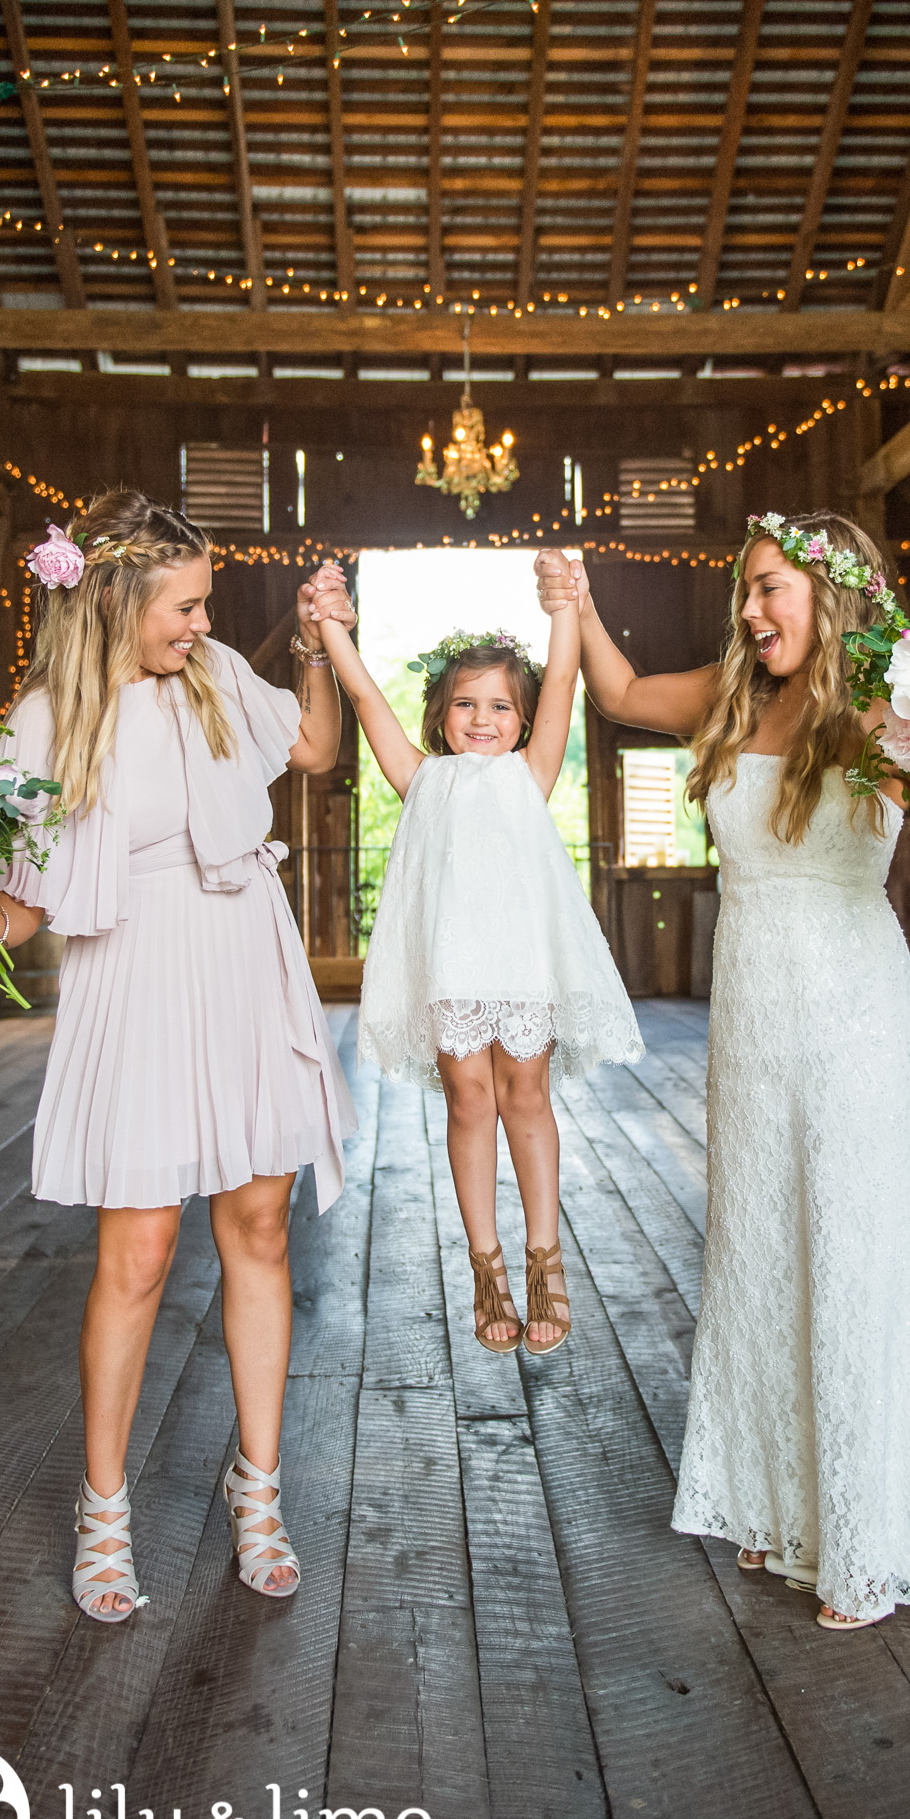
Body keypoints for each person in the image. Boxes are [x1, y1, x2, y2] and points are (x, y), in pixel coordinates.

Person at [536, 517, 910, 1630]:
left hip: (848, 1012)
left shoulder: (879, 713)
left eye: (767, 590)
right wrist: (573, 602)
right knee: (767, 1241)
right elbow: (625, 690)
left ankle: (866, 1536)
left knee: (852, 1243)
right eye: (745, 592)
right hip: (754, 1018)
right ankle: (787, 1503)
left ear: (829, 594)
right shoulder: (734, 701)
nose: (748, 611)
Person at [0, 490, 358, 1622]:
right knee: (138, 1250)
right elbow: (27, 911)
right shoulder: (44, 723)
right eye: (186, 603)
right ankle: (104, 1502)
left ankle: (257, 1489)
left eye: (204, 601)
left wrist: (314, 647)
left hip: (241, 955)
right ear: (117, 599)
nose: (201, 622)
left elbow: (312, 745)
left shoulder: (215, 674)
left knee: (260, 1224)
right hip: (133, 974)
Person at [308, 565, 641, 1355]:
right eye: (464, 703)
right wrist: (328, 626)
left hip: (521, 956)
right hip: (453, 963)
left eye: (499, 706)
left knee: (525, 1094)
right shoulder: (419, 777)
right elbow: (362, 700)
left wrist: (563, 606)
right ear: (440, 714)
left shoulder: (533, 772)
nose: (481, 718)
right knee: (467, 1098)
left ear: (523, 722)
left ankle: (543, 1256)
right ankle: (484, 1261)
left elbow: (563, 674)